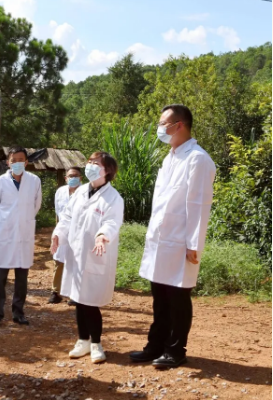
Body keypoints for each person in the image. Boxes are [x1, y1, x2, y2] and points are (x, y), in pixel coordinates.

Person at [130, 104, 216, 369]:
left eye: (162, 123)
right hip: (161, 241)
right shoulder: (170, 157)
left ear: (179, 125)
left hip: (181, 243)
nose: (159, 128)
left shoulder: (198, 159)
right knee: (160, 298)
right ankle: (155, 345)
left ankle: (176, 350)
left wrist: (193, 244)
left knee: (178, 298)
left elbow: (198, 205)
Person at [51, 152, 123, 364]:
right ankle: (82, 340)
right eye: (89, 162)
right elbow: (67, 217)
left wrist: (102, 236)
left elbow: (112, 222)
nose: (90, 165)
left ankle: (96, 344)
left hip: (95, 255)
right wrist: (58, 234)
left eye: (95, 163)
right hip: (76, 254)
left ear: (107, 170)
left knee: (90, 302)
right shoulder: (81, 192)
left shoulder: (113, 198)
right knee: (78, 300)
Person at [0, 146, 41, 329]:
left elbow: (36, 205)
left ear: (26, 162)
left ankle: (18, 313)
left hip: (24, 234)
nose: (17, 163)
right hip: (5, 234)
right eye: (13, 160)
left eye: (21, 160)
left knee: (21, 279)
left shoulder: (34, 181)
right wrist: (7, 222)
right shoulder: (0, 182)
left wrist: (24, 220)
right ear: (8, 162)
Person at [48, 167, 82, 305]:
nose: (72, 178)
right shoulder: (60, 192)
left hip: (78, 232)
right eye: (70, 176)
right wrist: (57, 231)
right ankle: (56, 292)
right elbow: (58, 212)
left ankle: (75, 295)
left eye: (75, 175)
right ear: (65, 178)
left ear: (80, 178)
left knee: (76, 263)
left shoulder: (85, 192)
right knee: (59, 261)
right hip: (63, 229)